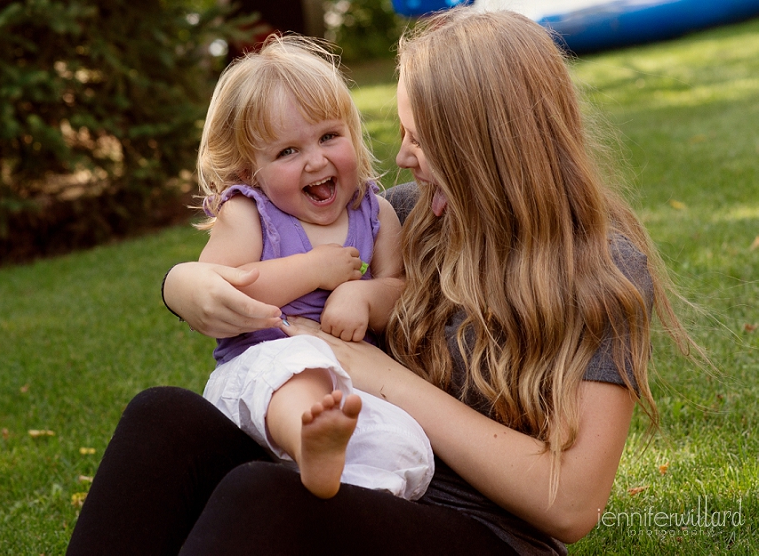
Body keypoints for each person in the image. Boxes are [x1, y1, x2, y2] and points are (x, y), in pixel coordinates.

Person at [67, 8, 702, 555]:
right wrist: (182, 285)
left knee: (264, 497)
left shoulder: (600, 267)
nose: (400, 157)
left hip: (483, 533)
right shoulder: (409, 215)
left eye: (420, 139)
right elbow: (234, 261)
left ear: (483, 148)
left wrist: (384, 377)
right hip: (368, 477)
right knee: (165, 417)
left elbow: (572, 505)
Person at [191, 35, 433, 501]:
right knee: (299, 368)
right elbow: (221, 293)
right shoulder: (249, 214)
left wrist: (363, 295)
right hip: (260, 375)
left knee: (406, 443)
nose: (316, 160)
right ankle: (308, 445)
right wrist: (314, 269)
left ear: (351, 132)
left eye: (328, 136)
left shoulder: (374, 212)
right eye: (287, 152)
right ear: (249, 170)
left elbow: (401, 289)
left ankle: (355, 501)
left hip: (351, 386)